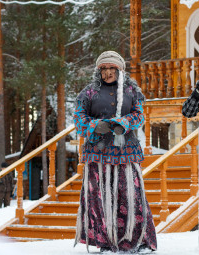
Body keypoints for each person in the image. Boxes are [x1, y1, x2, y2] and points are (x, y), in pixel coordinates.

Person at [73, 51, 157, 253]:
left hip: (126, 153)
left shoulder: (131, 91)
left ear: (120, 70)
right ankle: (106, 243)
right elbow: (78, 118)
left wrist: (125, 123)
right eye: (104, 69)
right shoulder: (89, 92)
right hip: (98, 154)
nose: (108, 73)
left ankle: (138, 241)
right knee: (101, 198)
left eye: (112, 68)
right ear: (98, 71)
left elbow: (139, 115)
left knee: (131, 195)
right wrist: (95, 125)